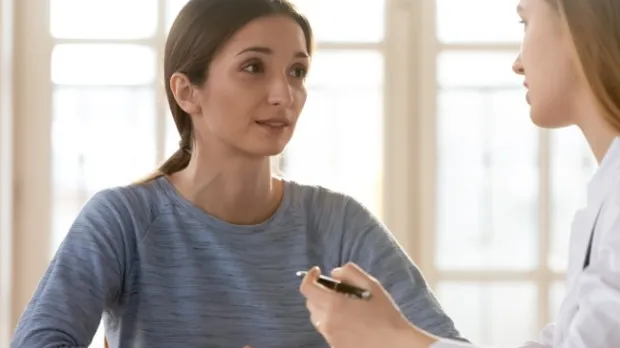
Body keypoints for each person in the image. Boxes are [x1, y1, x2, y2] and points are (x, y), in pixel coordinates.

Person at [298, 0, 620, 347]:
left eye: (525, 20)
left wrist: (395, 340)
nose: (518, 62)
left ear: (584, 28)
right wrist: (400, 335)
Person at [11, 0, 464, 347]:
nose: (283, 94)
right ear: (188, 91)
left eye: (297, 71)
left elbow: (447, 346)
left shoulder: (339, 223)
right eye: (253, 67)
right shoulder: (123, 219)